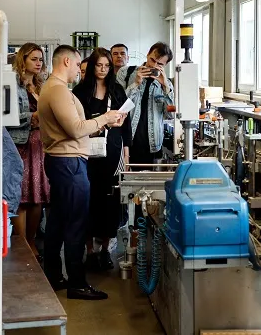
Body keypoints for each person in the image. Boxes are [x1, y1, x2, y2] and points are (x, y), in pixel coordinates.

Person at [38, 44, 124, 300]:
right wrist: (105, 118)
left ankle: (54, 274)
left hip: (64, 161)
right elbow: (75, 129)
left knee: (57, 221)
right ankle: (77, 283)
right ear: (66, 62)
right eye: (77, 65)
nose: (79, 70)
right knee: (76, 224)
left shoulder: (55, 89)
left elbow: (77, 128)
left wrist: (102, 125)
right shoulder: (58, 90)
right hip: (69, 163)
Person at [73, 48, 132, 271]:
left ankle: (106, 249)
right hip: (86, 152)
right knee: (88, 200)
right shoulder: (80, 92)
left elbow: (126, 126)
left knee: (110, 202)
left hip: (113, 152)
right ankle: (89, 250)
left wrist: (126, 154)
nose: (103, 70)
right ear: (91, 67)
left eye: (107, 66)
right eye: (99, 65)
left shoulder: (117, 90)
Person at [7, 43, 48, 260]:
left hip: (40, 146)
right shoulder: (12, 84)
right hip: (20, 144)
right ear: (22, 59)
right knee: (21, 196)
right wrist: (31, 118)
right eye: (34, 59)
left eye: (41, 59)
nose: (38, 63)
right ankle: (22, 243)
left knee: (37, 196)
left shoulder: (41, 86)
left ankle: (31, 240)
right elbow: (6, 117)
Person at [116, 42, 174, 166]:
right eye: (152, 60)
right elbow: (119, 107)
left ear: (165, 65)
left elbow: (171, 115)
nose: (154, 65)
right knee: (125, 177)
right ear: (147, 54)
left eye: (160, 64)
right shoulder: (125, 73)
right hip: (127, 142)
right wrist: (136, 84)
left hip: (153, 145)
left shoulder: (167, 84)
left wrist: (165, 88)